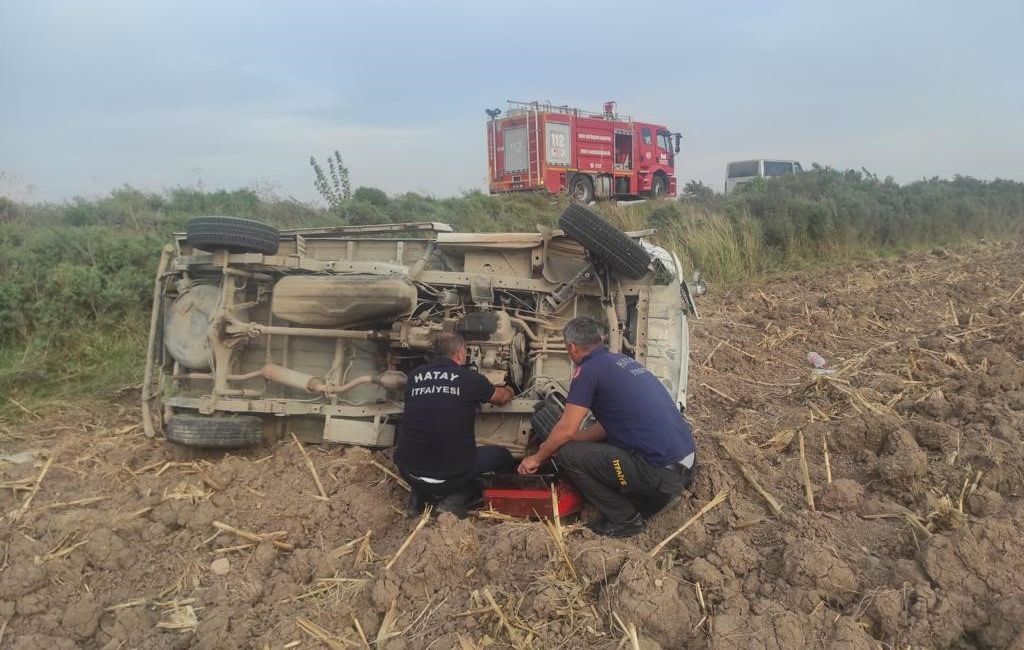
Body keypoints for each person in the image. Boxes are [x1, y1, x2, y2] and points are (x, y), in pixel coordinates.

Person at [517, 316, 697, 538]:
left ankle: (625, 519)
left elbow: (565, 429)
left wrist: (536, 458)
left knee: (568, 455)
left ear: (572, 347)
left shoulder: (587, 371)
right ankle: (652, 495)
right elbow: (604, 427)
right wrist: (569, 440)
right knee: (578, 446)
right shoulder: (622, 361)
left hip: (659, 473)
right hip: (685, 463)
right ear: (599, 340)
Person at [396, 332, 516, 517]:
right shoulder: (469, 378)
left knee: (426, 451)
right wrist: (510, 387)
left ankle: (419, 496)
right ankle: (456, 499)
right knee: (504, 458)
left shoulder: (413, 377)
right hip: (449, 477)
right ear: (461, 353)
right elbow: (502, 398)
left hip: (408, 473)